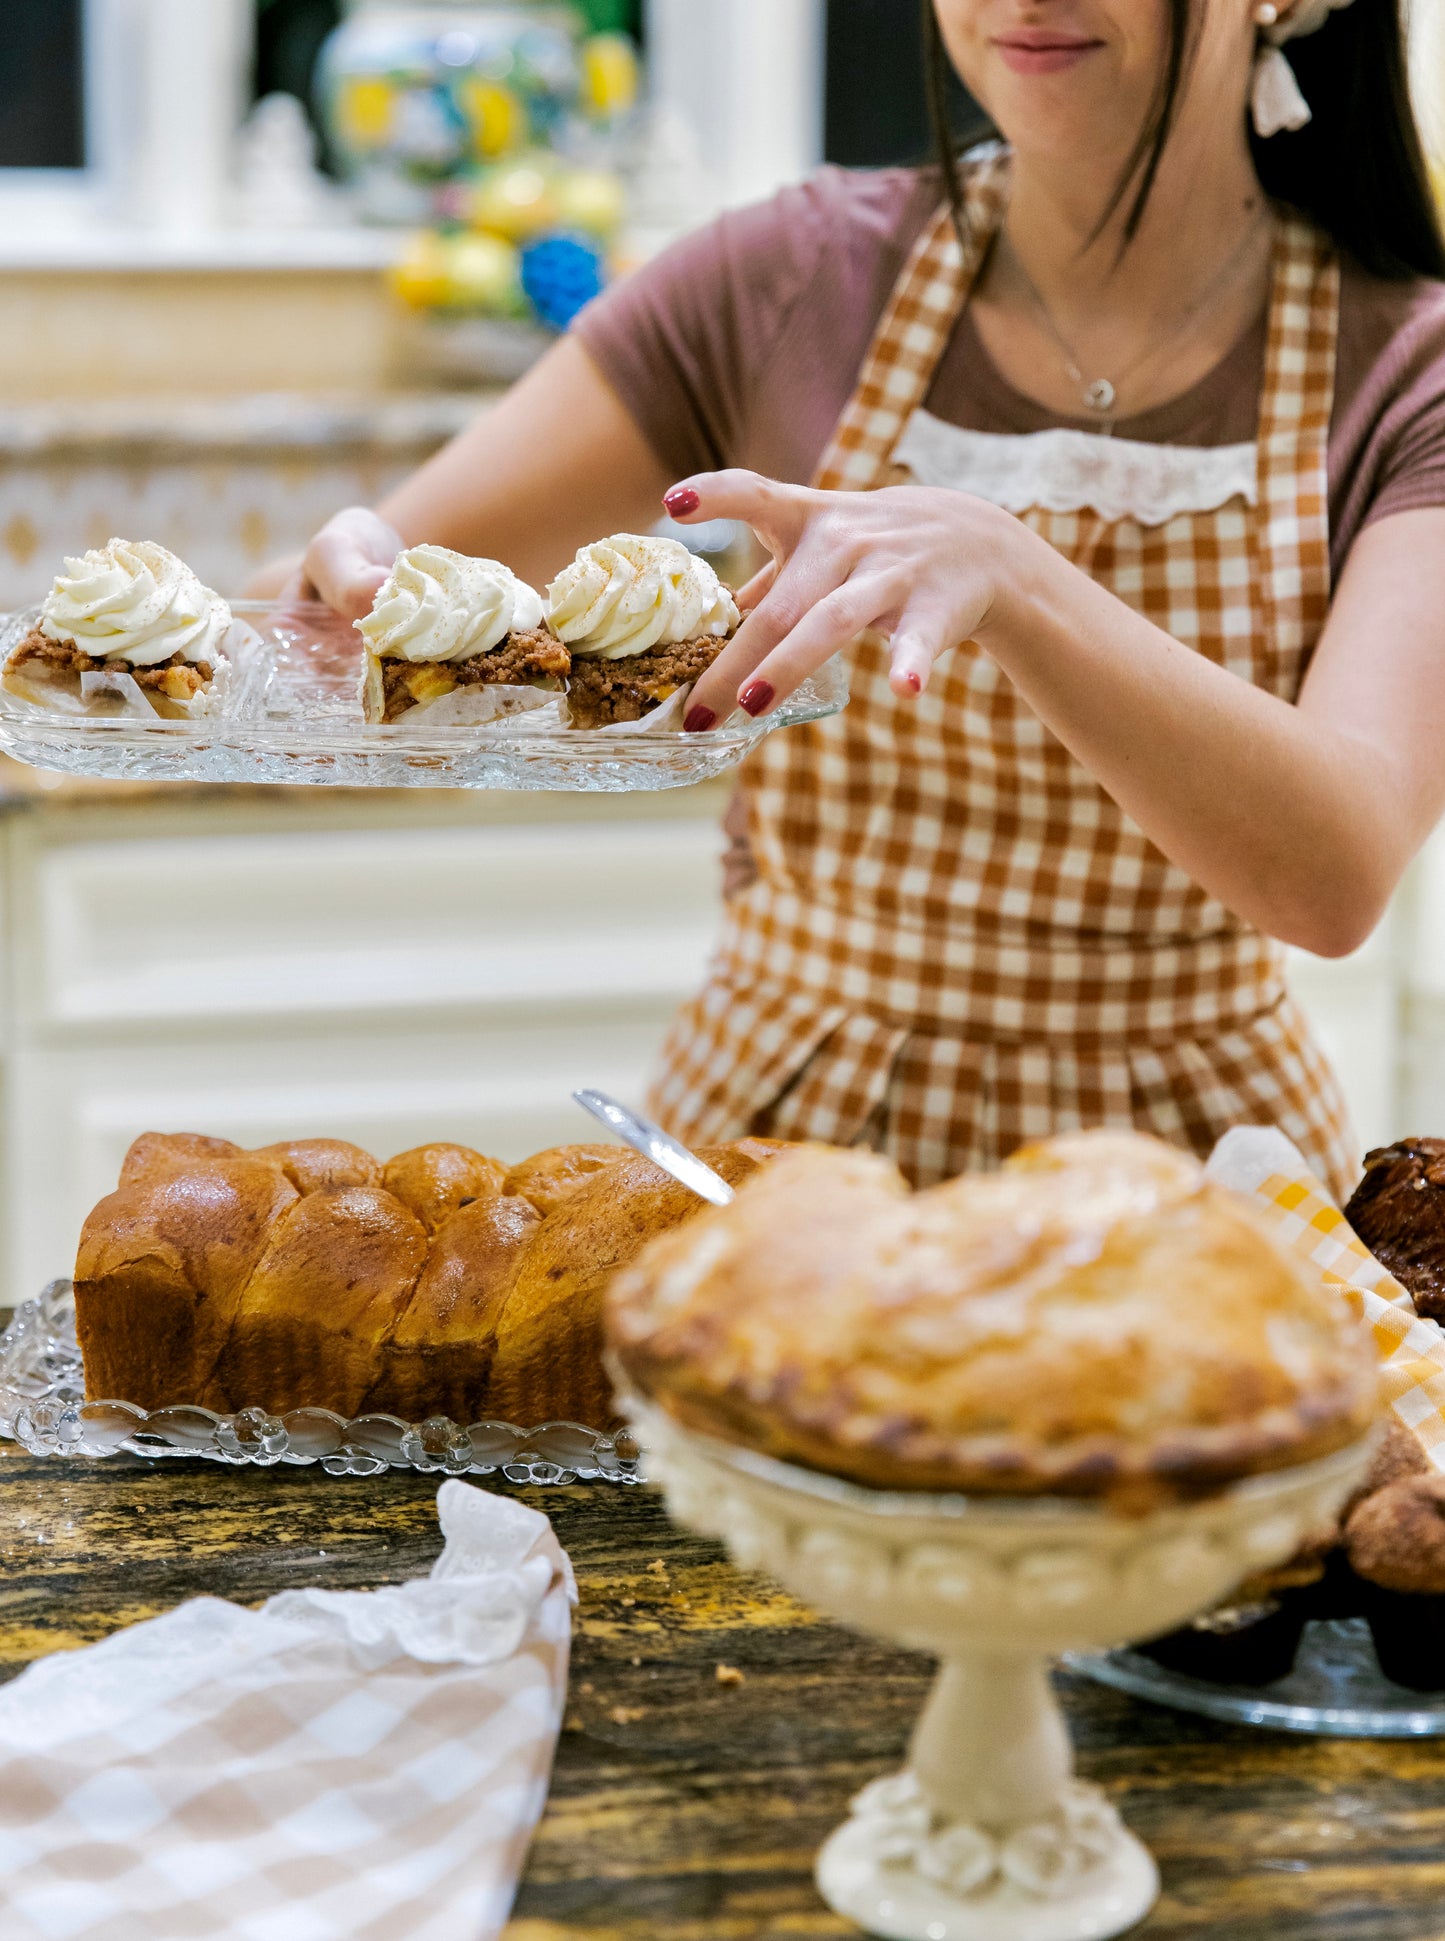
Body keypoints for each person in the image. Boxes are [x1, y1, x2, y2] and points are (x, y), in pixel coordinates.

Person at [276, 0, 1445, 1199]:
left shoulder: (1409, 367)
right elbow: (313, 611)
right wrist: (353, 568)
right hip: (772, 1159)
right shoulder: (788, 277)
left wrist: (1012, 575)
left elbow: (1334, 869)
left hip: (1188, 1190)